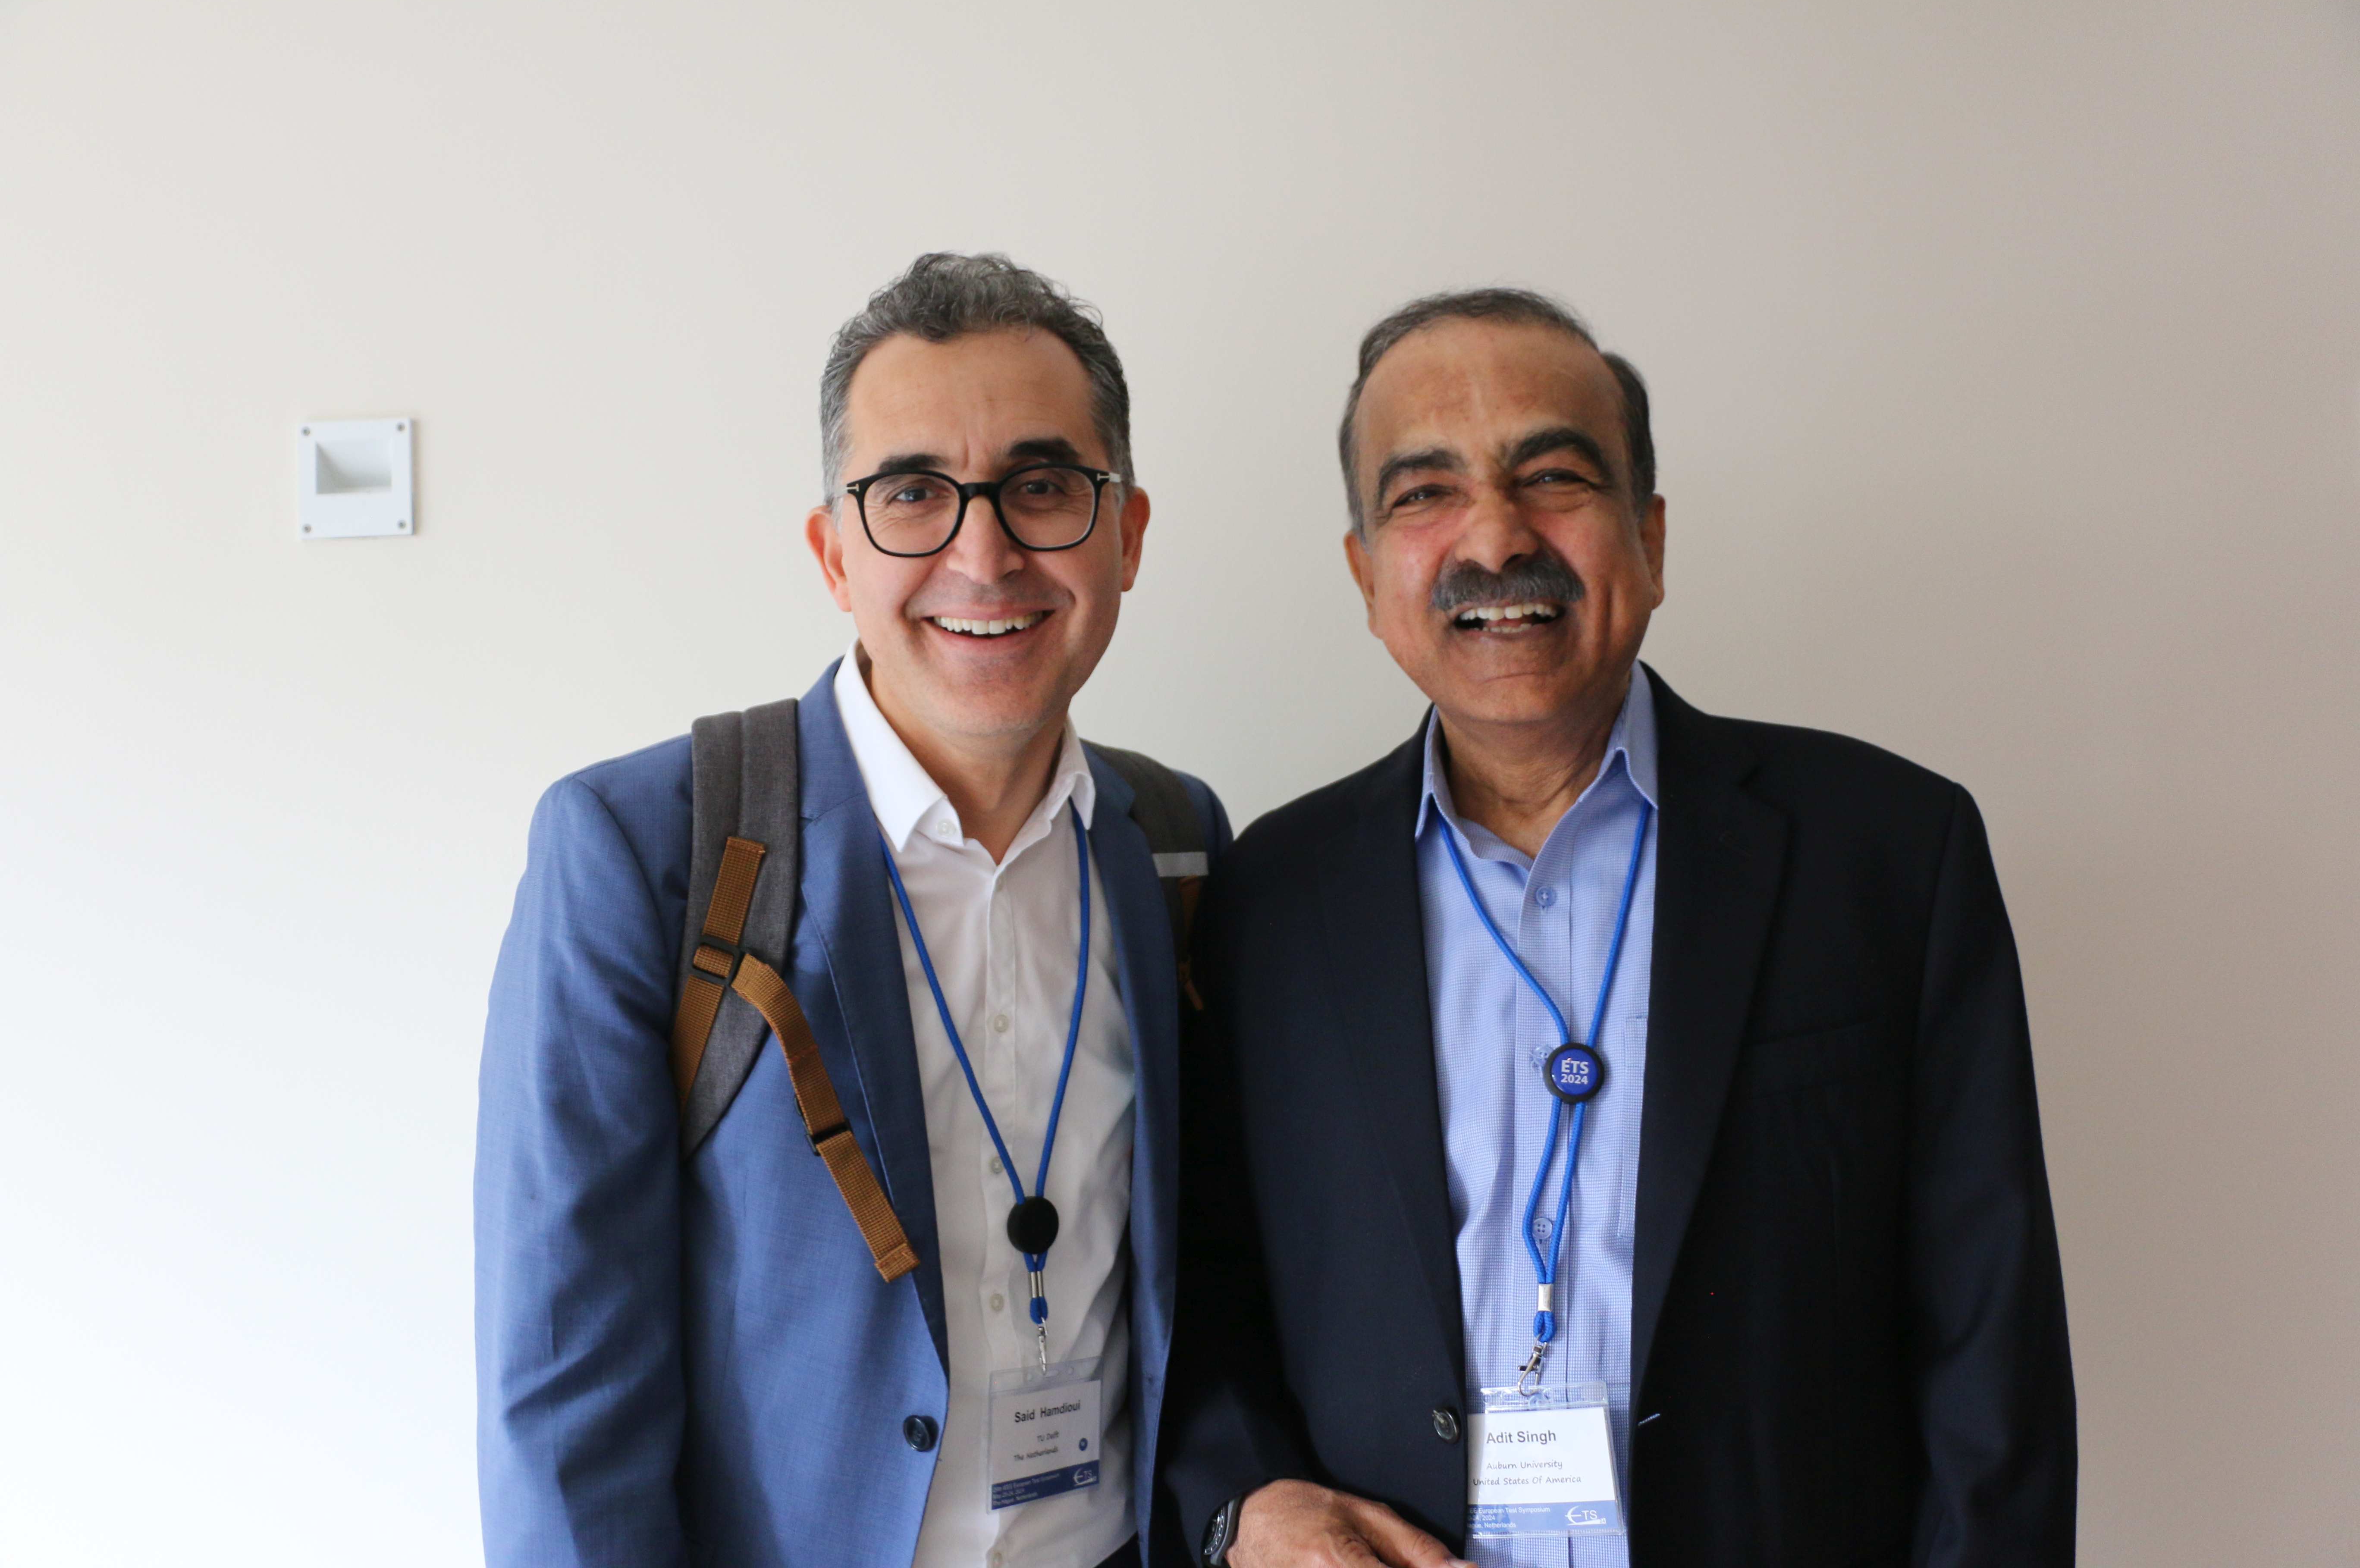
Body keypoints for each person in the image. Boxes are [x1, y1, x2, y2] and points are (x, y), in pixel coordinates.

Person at [1160, 289, 2074, 1568]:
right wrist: (1244, 1501)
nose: (1495, 537)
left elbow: (1992, 1345)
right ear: (1367, 574)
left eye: (1554, 477)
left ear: (1648, 537)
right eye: (1424, 493)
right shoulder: (1273, 894)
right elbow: (1204, 1285)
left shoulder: (1888, 854)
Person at [476, 252, 1225, 1568]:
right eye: (913, 494)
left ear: (1128, 534)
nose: (983, 555)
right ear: (835, 553)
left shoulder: (1175, 842)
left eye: (1043, 487)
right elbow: (562, 1393)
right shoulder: (645, 850)